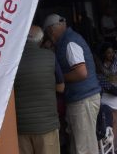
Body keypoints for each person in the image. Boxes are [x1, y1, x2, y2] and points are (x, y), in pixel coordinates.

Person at [44, 13, 101, 154]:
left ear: (51, 30)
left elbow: (81, 73)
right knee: (80, 145)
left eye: (48, 33)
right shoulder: (69, 40)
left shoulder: (69, 42)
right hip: (83, 99)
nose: (49, 37)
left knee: (84, 147)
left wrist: (59, 78)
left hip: (83, 100)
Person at [14, 25, 63, 154]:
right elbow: (61, 87)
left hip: (21, 127)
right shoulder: (50, 56)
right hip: (47, 125)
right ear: (41, 40)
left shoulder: (12, 60)